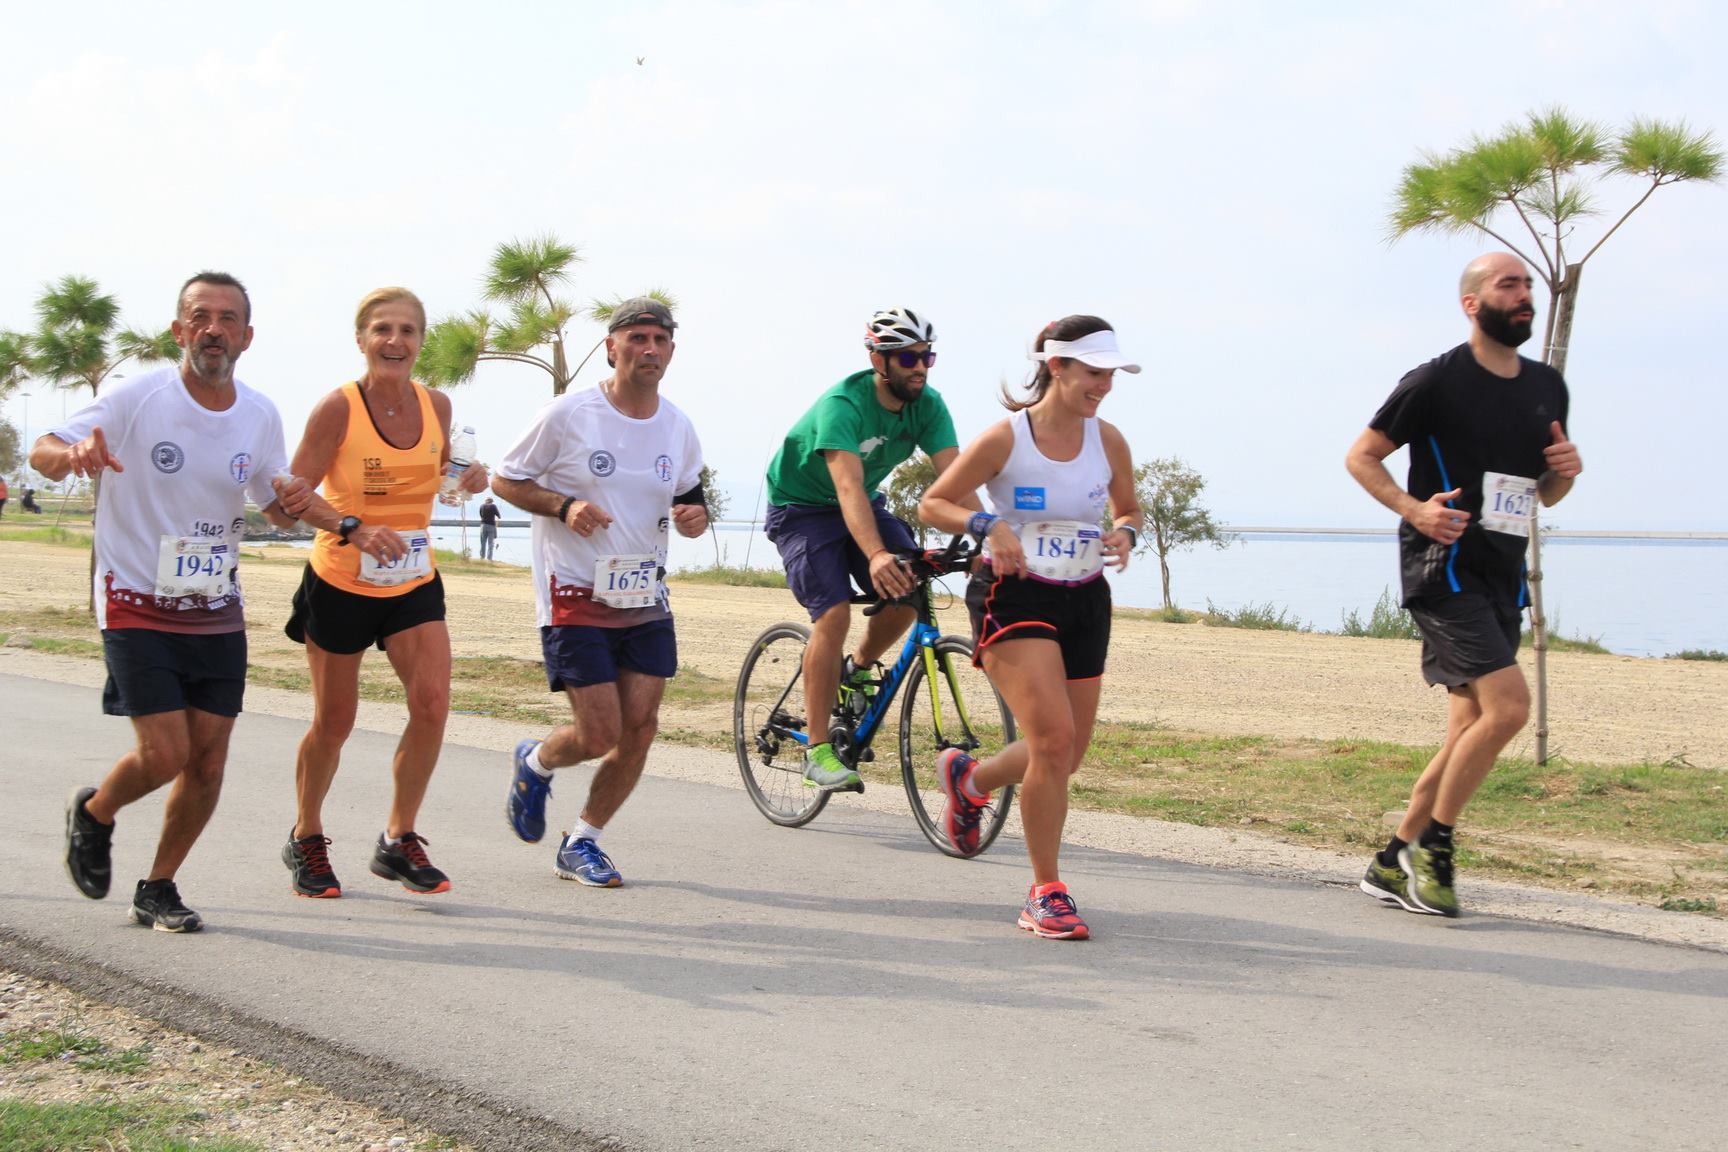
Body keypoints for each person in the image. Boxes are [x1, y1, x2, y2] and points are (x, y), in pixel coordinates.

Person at [33, 271, 316, 932]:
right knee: (166, 755)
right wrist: (71, 453)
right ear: (178, 329)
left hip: (215, 606)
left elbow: (271, 503)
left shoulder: (260, 412)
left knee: (209, 762)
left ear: (246, 337)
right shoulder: (138, 398)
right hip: (134, 597)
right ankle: (96, 812)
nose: (213, 329)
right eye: (200, 316)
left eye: (227, 319)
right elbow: (44, 448)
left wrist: (304, 511)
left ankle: (158, 886)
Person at [1346, 252, 1583, 919]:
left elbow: (1548, 492)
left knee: (1468, 728)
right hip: (1442, 568)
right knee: (1509, 709)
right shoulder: (1436, 380)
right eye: (1509, 285)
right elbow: (1361, 456)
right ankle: (1436, 850)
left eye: (1528, 286)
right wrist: (1413, 508)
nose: (1525, 295)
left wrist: (1566, 470)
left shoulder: (1546, 387)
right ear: (1472, 303)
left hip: (1502, 574)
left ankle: (1393, 861)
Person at [919, 315, 1144, 941]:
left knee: (1065, 754)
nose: (1104, 386)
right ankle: (1046, 892)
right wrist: (987, 526)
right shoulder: (1005, 438)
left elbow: (1129, 506)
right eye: (1093, 373)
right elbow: (935, 501)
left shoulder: (1110, 441)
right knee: (1050, 741)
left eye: (1111, 375)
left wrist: (1125, 530)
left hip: (1085, 598)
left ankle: (970, 781)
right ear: (1056, 367)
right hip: (1012, 595)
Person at [278, 287, 489, 899]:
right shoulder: (337, 409)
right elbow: (294, 496)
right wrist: (353, 526)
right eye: (382, 329)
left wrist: (471, 477)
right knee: (334, 722)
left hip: (412, 580)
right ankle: (307, 836)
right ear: (362, 339)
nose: (395, 341)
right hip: (341, 579)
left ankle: (399, 838)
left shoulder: (438, 406)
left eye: (407, 330)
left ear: (421, 342)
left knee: (431, 704)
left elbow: (448, 472)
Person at [494, 297, 707, 887]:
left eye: (660, 339)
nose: (649, 349)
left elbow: (690, 494)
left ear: (671, 351)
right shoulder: (568, 414)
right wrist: (563, 506)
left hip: (644, 597)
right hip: (573, 594)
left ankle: (582, 841)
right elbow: (504, 478)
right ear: (612, 347)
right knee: (599, 734)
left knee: (640, 726)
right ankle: (535, 762)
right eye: (637, 338)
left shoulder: (677, 425)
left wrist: (695, 517)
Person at [763, 306, 966, 793]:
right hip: (803, 509)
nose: (918, 367)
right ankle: (816, 751)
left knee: (909, 588)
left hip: (863, 505)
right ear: (879, 359)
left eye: (926, 357)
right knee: (833, 615)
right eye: (906, 358)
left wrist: (991, 532)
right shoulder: (843, 404)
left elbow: (958, 478)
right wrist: (875, 555)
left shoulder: (929, 405)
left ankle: (852, 670)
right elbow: (848, 487)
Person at [478, 496, 501, 560]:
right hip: (491, 526)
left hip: (483, 525)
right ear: (491, 501)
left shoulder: (482, 506)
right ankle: (489, 558)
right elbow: (499, 515)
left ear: (485, 501)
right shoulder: (493, 506)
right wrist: (498, 516)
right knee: (490, 543)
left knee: (483, 542)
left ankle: (482, 557)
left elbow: (481, 515)